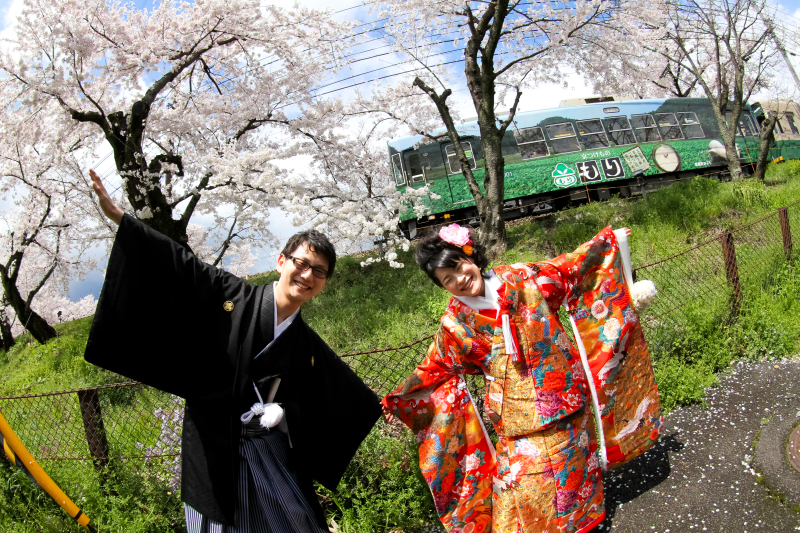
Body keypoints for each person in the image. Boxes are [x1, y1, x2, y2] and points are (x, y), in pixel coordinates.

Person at [84, 169, 382, 532]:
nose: (307, 276)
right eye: (301, 264)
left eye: (318, 272)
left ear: (325, 283)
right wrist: (121, 219)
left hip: (267, 452)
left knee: (297, 522)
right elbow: (180, 266)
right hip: (214, 443)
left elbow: (346, 395)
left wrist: (394, 406)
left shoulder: (305, 343)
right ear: (281, 261)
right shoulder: (229, 296)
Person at [382, 223, 662, 533]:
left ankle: (582, 524)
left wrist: (610, 241)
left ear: (471, 257)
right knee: (521, 484)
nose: (460, 279)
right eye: (448, 279)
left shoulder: (522, 277)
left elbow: (569, 268)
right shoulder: (455, 324)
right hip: (516, 416)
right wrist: (402, 399)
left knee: (576, 467)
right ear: (443, 287)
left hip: (565, 396)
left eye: (459, 267)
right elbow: (435, 367)